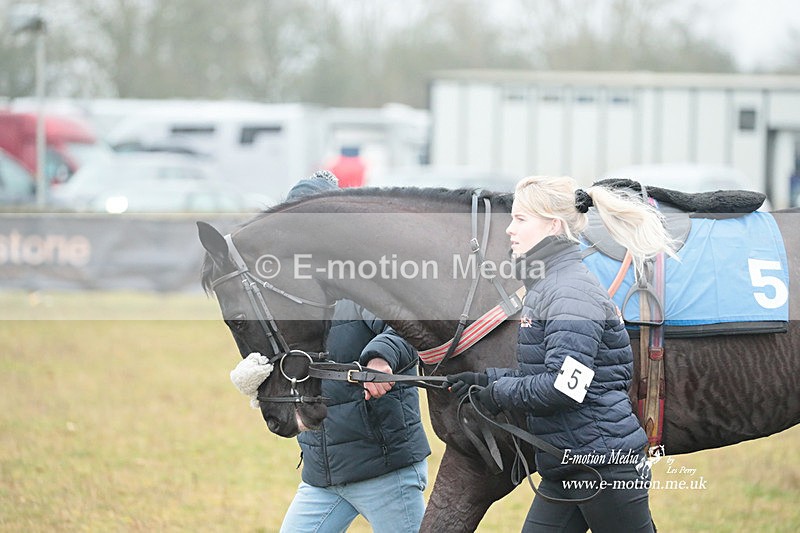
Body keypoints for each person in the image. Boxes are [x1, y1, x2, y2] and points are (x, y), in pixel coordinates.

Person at [447, 175, 675, 533]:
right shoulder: (548, 285)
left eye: (521, 219)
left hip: (601, 466)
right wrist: (484, 381)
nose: (509, 229)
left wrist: (497, 393)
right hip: (566, 462)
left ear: (553, 225)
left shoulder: (571, 292)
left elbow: (566, 387)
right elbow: (551, 371)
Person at [280, 171, 430, 533]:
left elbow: (410, 330)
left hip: (382, 469)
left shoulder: (366, 277)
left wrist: (381, 357)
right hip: (322, 473)